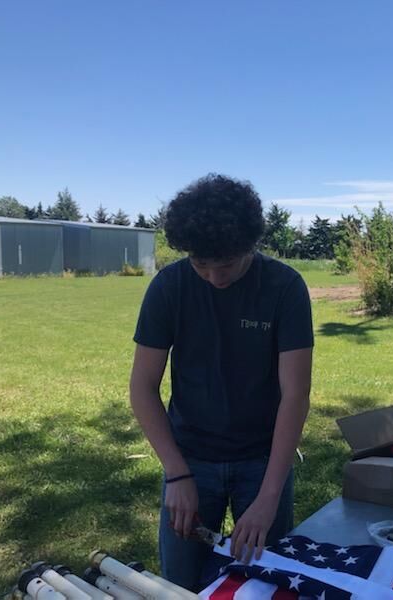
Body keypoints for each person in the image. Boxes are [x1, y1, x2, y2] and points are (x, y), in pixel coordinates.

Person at [129, 173, 313, 591]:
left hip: (263, 460)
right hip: (190, 456)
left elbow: (295, 394)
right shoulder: (168, 287)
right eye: (201, 264)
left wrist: (269, 496)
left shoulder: (285, 287)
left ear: (251, 244)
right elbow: (142, 387)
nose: (214, 277)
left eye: (226, 264)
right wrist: (176, 474)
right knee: (181, 584)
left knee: (268, 583)